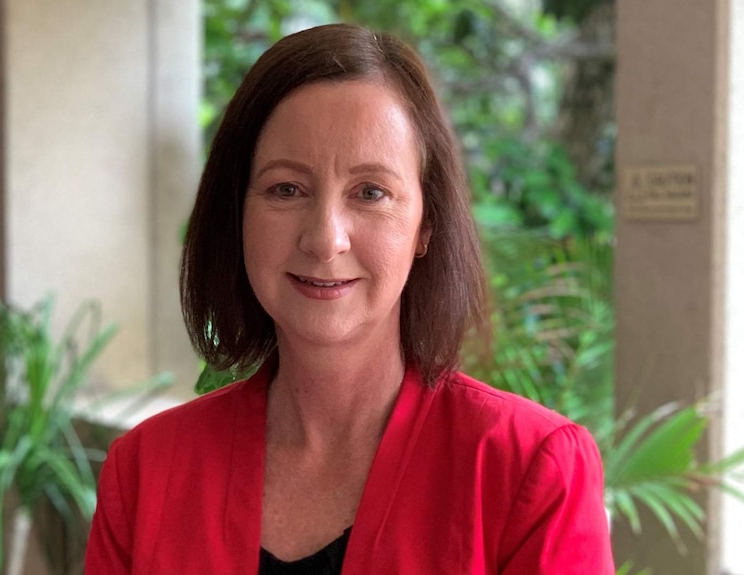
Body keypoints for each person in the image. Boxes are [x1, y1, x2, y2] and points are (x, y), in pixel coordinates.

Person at [85, 23, 614, 574]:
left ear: (425, 225)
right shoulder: (146, 472)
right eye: (286, 189)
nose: (325, 238)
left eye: (370, 193)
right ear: (237, 214)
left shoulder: (530, 470)